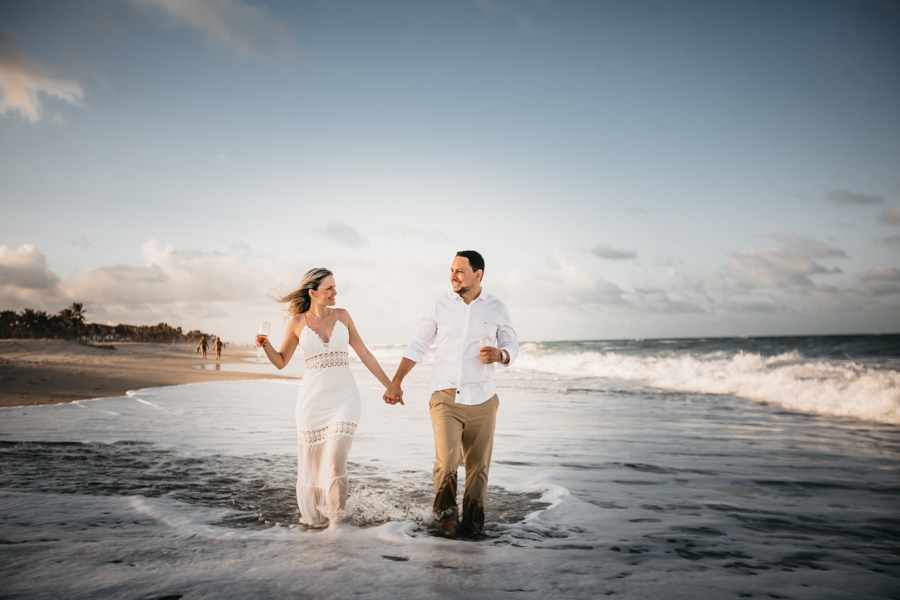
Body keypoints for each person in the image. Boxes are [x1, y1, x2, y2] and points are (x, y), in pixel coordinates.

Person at [384, 250, 518, 538]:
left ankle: (473, 528)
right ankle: (445, 523)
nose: (452, 276)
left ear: (477, 275)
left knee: (478, 468)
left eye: (459, 271)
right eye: (451, 270)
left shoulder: (497, 307)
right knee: (446, 462)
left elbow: (511, 345)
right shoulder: (439, 305)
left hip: (483, 398)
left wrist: (501, 355)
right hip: (445, 397)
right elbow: (418, 344)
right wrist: (396, 381)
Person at [256, 267, 395, 528]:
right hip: (312, 403)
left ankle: (336, 526)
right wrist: (266, 346)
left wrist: (390, 385)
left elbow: (364, 353)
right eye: (329, 288)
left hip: (345, 398)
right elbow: (281, 361)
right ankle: (324, 523)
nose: (335, 292)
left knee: (335, 460)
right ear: (313, 292)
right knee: (315, 465)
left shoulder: (343, 316)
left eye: (334, 287)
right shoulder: (297, 322)